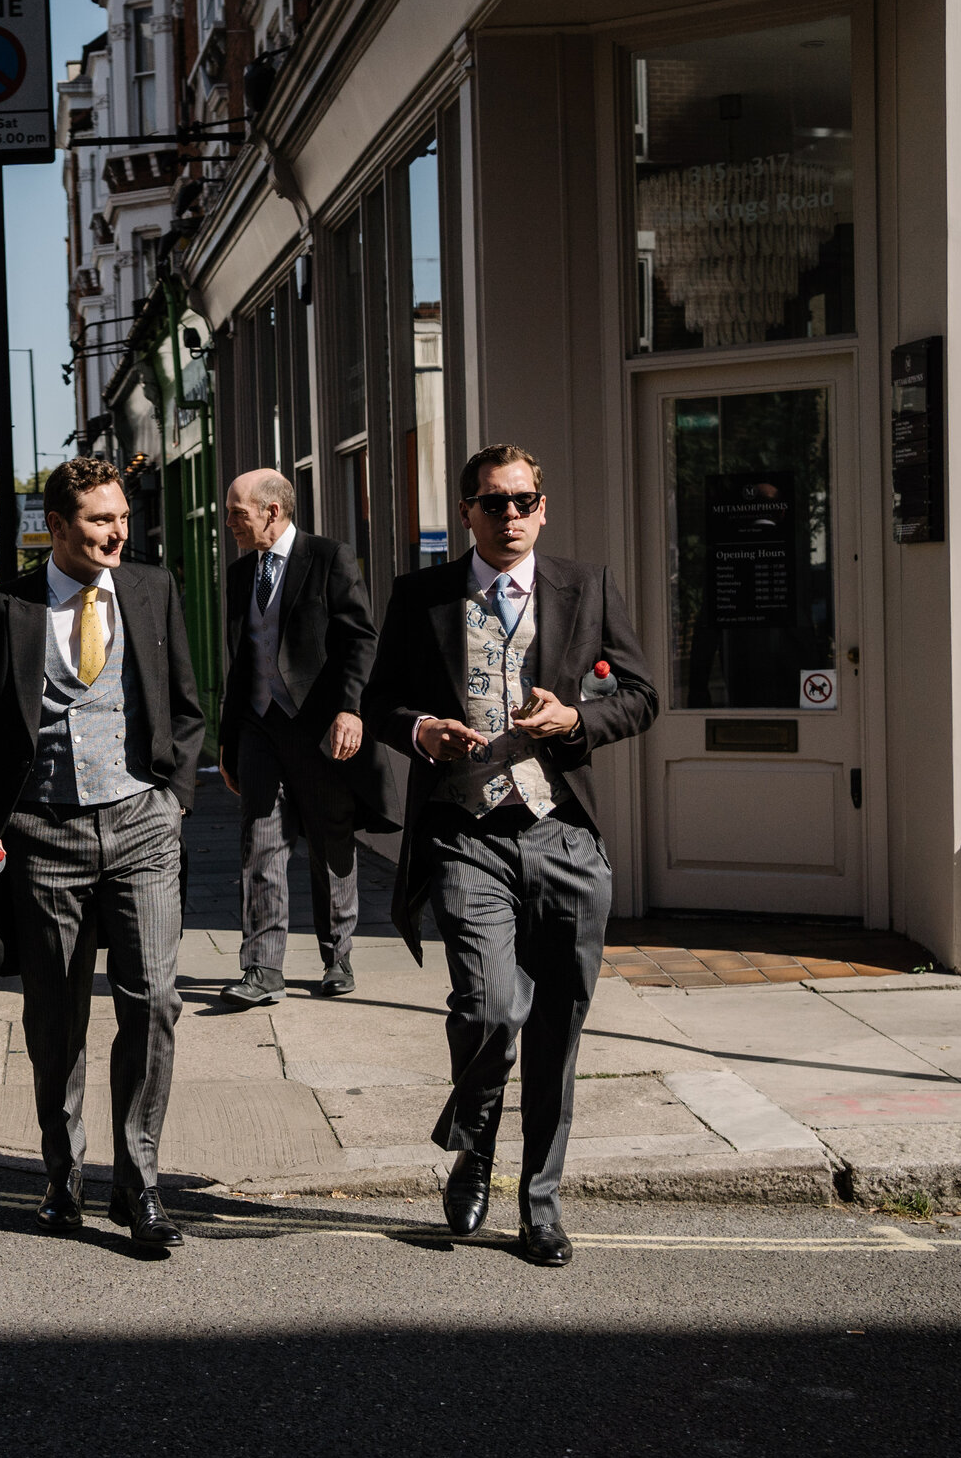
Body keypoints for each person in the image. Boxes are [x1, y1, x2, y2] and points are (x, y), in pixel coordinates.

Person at [367, 443, 657, 1267]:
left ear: (544, 505)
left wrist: (576, 722)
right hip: (465, 832)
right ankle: (475, 1142)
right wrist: (421, 730)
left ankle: (540, 1201)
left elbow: (642, 695)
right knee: (491, 1008)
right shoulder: (421, 596)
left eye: (524, 500)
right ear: (466, 511)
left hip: (561, 832)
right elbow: (380, 701)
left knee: (558, 1032)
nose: (511, 516)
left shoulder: (586, 585)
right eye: (493, 503)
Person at [0, 457, 206, 1248]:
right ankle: (63, 1176)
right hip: (43, 836)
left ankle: (141, 1180)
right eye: (99, 519)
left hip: (142, 825)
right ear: (55, 526)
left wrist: (176, 798)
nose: (118, 531)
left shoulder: (152, 590)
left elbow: (185, 705)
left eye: (121, 516)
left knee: (154, 1000)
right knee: (56, 1022)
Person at [215, 468, 383, 1007]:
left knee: (330, 838)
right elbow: (240, 664)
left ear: (272, 511)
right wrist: (227, 741)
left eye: (237, 513)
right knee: (259, 845)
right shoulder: (242, 575)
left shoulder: (329, 558)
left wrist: (350, 710)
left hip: (319, 726)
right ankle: (263, 969)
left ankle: (337, 955)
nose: (229, 524)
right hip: (260, 728)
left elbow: (360, 640)